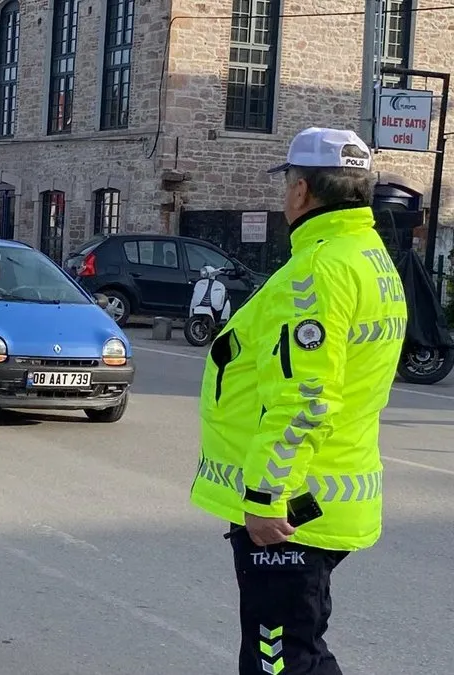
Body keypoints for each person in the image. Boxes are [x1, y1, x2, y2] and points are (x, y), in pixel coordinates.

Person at [190, 128, 407, 675]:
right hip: (329, 489)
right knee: (298, 649)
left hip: (292, 509)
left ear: (302, 192)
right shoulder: (367, 256)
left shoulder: (315, 274)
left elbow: (305, 397)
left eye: (287, 182)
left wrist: (266, 498)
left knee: (279, 662)